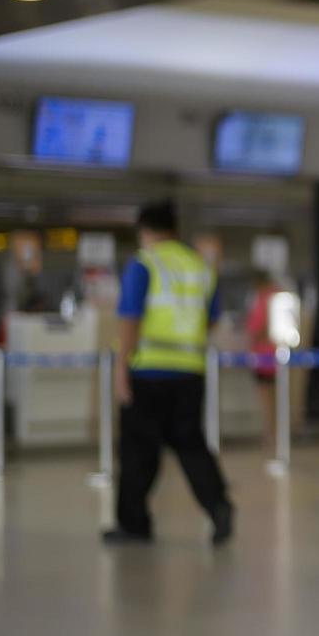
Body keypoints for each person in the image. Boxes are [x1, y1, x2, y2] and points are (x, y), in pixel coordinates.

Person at [103, 200, 234, 546]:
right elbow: (213, 318)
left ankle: (134, 524)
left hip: (147, 371)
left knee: (137, 451)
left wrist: (121, 368)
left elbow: (130, 318)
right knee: (191, 444)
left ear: (144, 231)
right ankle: (218, 506)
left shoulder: (144, 263)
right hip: (190, 371)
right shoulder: (200, 267)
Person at [245, 269, 279, 453]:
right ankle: (274, 432)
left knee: (266, 396)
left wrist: (253, 338)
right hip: (274, 354)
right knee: (274, 396)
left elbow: (258, 327)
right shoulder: (276, 295)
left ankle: (270, 433)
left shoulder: (263, 298)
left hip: (264, 354)